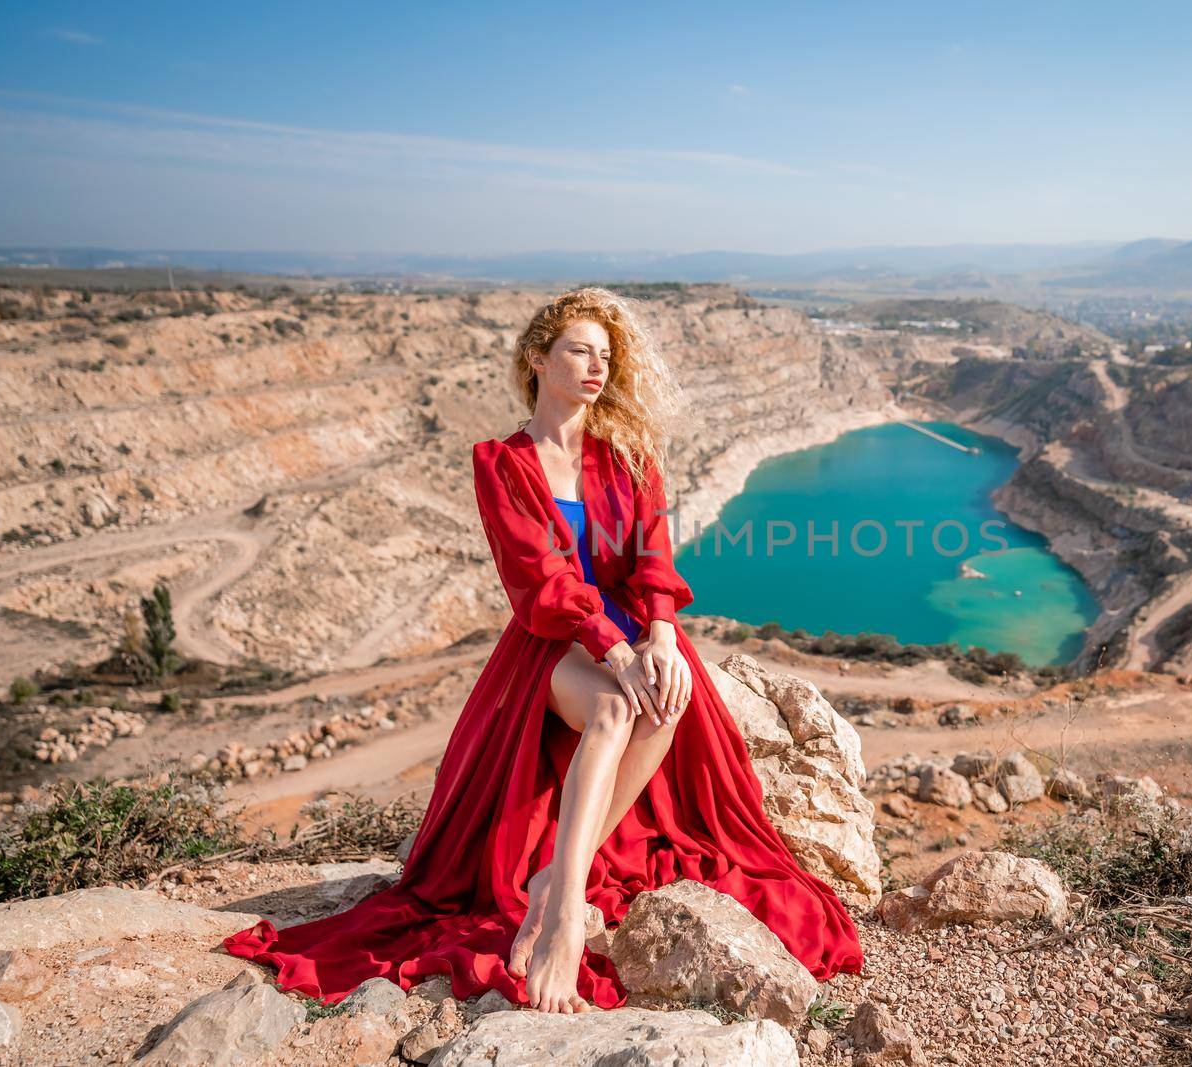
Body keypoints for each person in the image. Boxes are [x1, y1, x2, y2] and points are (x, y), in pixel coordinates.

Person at [223, 287, 865, 1015]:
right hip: (553, 639)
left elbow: (653, 551)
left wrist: (657, 632)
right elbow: (540, 580)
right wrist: (614, 649)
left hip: (631, 626)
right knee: (620, 705)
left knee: (668, 696)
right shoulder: (501, 461)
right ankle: (563, 911)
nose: (596, 366)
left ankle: (552, 877)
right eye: (578, 351)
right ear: (537, 359)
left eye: (605, 355)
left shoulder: (628, 451)